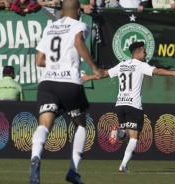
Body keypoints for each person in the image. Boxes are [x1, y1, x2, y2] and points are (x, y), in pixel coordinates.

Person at [28, 0, 103, 183]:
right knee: (80, 124)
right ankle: (73, 171)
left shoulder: (50, 28)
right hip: (68, 82)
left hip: (47, 82)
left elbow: (39, 60)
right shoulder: (79, 24)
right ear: (78, 10)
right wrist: (94, 67)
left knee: (44, 124)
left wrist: (56, 62)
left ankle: (35, 158)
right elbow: (78, 42)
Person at [83, 41, 175, 172]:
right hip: (134, 105)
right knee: (134, 137)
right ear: (137, 53)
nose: (146, 53)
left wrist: (87, 78)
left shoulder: (122, 65)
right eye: (144, 51)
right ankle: (123, 165)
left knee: (126, 135)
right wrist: (172, 73)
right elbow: (157, 71)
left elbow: (103, 74)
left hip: (120, 104)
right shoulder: (141, 65)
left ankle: (118, 132)